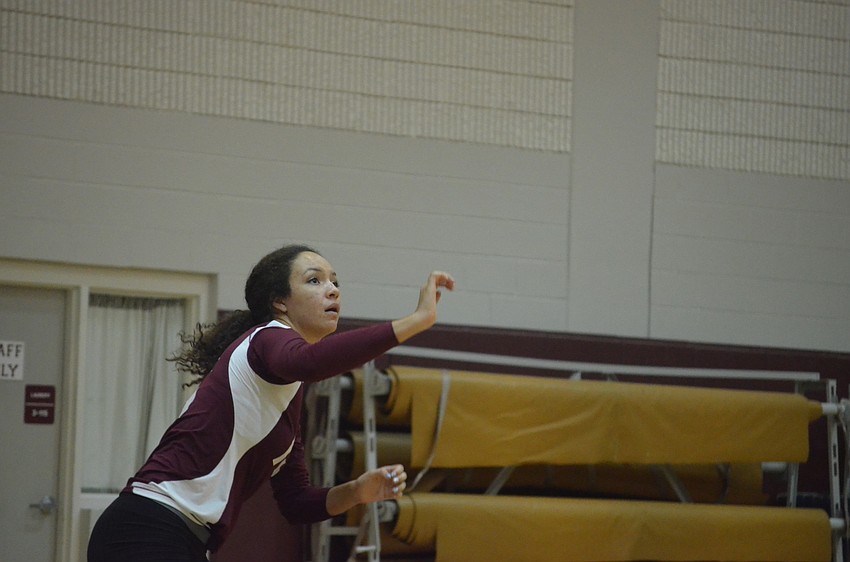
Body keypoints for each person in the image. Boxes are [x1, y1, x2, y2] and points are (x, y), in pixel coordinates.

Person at [87, 243, 455, 561]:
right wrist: (417, 320)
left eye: (335, 282)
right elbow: (311, 362)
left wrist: (357, 491)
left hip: (184, 539)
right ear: (280, 302)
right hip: (147, 525)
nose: (332, 290)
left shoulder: (285, 396)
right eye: (315, 281)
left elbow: (296, 502)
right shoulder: (267, 338)